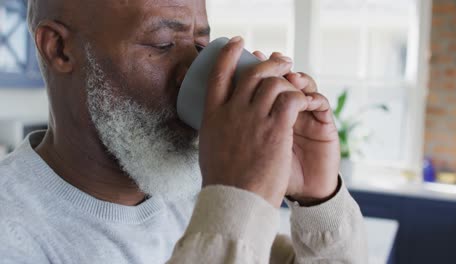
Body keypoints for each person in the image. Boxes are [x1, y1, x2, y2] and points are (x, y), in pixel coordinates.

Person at [0, 0, 367, 263]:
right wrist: (236, 195)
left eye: (201, 46)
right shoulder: (12, 231)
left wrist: (319, 199)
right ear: (60, 49)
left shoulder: (189, 198)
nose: (193, 71)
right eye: (162, 45)